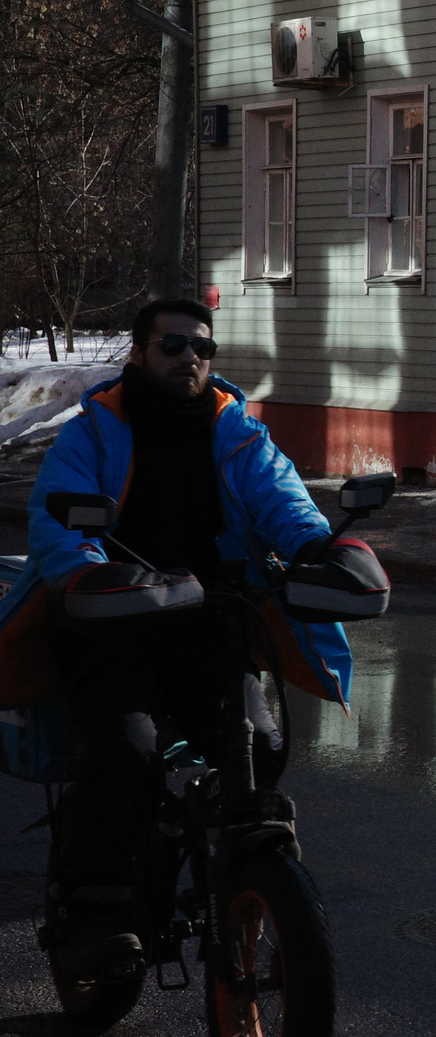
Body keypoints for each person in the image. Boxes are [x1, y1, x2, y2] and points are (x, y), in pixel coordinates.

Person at [0, 298, 358, 984]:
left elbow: (281, 497)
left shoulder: (237, 431)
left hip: (209, 626)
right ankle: (94, 909)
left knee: (262, 745)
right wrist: (88, 572)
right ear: (138, 352)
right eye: (172, 344)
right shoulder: (94, 431)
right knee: (127, 751)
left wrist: (315, 546)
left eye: (201, 345)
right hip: (112, 627)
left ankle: (235, 870)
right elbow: (58, 520)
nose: (188, 356)